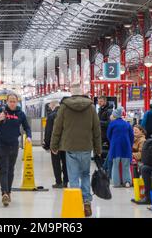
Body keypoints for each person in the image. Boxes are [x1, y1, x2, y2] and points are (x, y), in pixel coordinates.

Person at [51, 85, 102, 217]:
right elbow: (96, 129)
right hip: (86, 146)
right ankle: (86, 202)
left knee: (73, 176)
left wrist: (54, 146)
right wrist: (98, 149)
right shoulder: (91, 107)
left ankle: (76, 203)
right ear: (82, 93)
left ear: (72, 94)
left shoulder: (64, 107)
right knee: (85, 174)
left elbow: (57, 128)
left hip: (70, 146)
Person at [0, 93, 32, 207]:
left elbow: (27, 127)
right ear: (7, 102)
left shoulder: (20, 114)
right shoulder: (1, 111)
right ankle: (4, 193)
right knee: (4, 169)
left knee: (11, 169)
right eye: (10, 101)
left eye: (14, 101)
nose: (12, 103)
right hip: (1, 144)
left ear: (17, 102)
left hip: (14, 145)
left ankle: (8, 192)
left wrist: (29, 136)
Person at [107, 107, 134, 188]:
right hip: (126, 147)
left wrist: (113, 142)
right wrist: (130, 145)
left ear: (115, 115)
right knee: (126, 166)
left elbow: (108, 135)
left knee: (115, 165)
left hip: (115, 147)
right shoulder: (127, 124)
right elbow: (131, 136)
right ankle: (127, 182)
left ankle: (116, 183)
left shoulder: (112, 124)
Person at [43, 100, 68, 189]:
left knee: (56, 163)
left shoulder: (51, 116)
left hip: (55, 144)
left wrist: (47, 143)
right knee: (65, 163)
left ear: (52, 105)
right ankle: (65, 181)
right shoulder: (66, 114)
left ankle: (58, 182)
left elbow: (48, 131)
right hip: (66, 143)